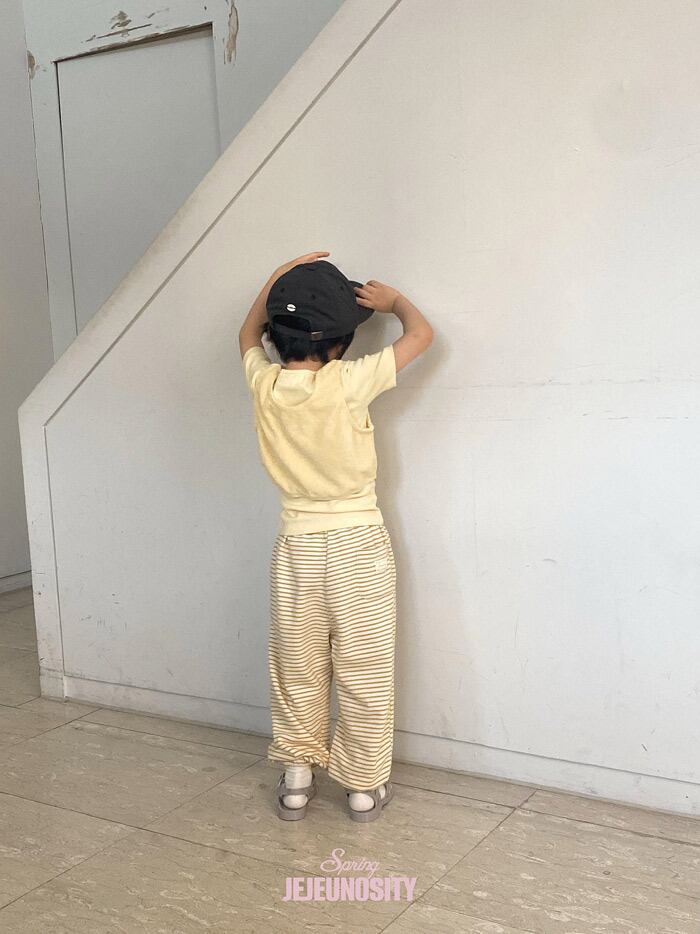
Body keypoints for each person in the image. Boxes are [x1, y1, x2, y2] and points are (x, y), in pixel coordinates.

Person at [238, 250, 433, 821]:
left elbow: (246, 334)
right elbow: (422, 335)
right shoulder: (348, 382)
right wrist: (394, 302)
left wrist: (274, 280)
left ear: (276, 337)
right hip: (357, 545)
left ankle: (297, 779)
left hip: (296, 548)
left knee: (296, 664)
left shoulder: (265, 384)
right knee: (363, 666)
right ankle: (364, 786)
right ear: (340, 344)